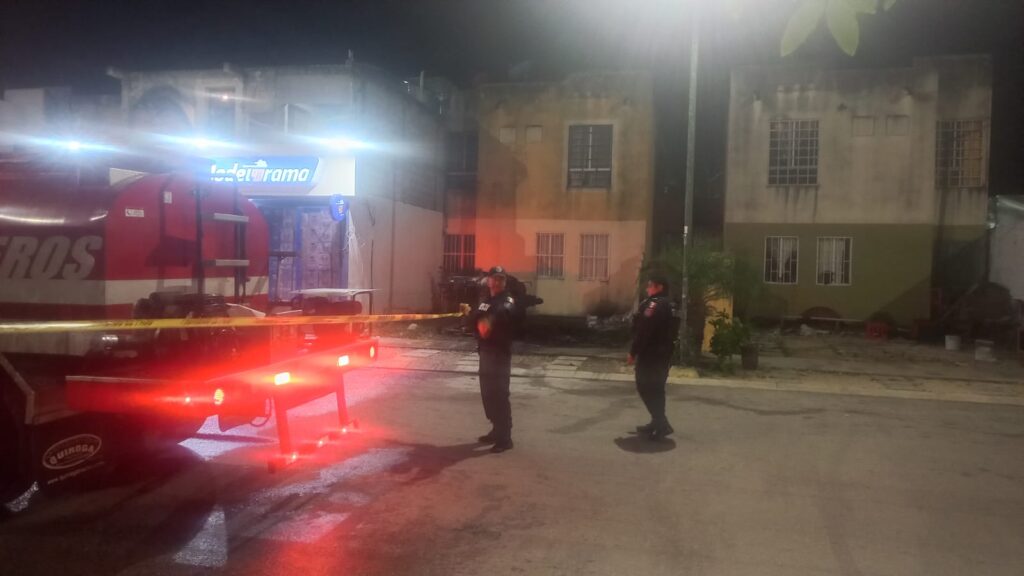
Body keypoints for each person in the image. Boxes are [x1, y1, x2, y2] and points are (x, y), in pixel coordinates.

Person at [472, 266, 517, 453]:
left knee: (499, 395)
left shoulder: (507, 300)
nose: (497, 282)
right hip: (485, 353)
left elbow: (502, 312)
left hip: (499, 355)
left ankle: (505, 438)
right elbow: (476, 319)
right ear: (488, 281)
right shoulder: (487, 300)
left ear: (505, 282)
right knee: (488, 394)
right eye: (494, 278)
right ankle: (496, 429)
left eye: (501, 279)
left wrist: (487, 321)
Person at [627, 274, 676, 440]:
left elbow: (644, 330)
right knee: (656, 388)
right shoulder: (665, 304)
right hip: (661, 355)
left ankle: (661, 423)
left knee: (645, 386)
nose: (647, 289)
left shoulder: (655, 304)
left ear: (659, 287)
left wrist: (633, 351)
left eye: (650, 285)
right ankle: (658, 422)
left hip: (652, 355)